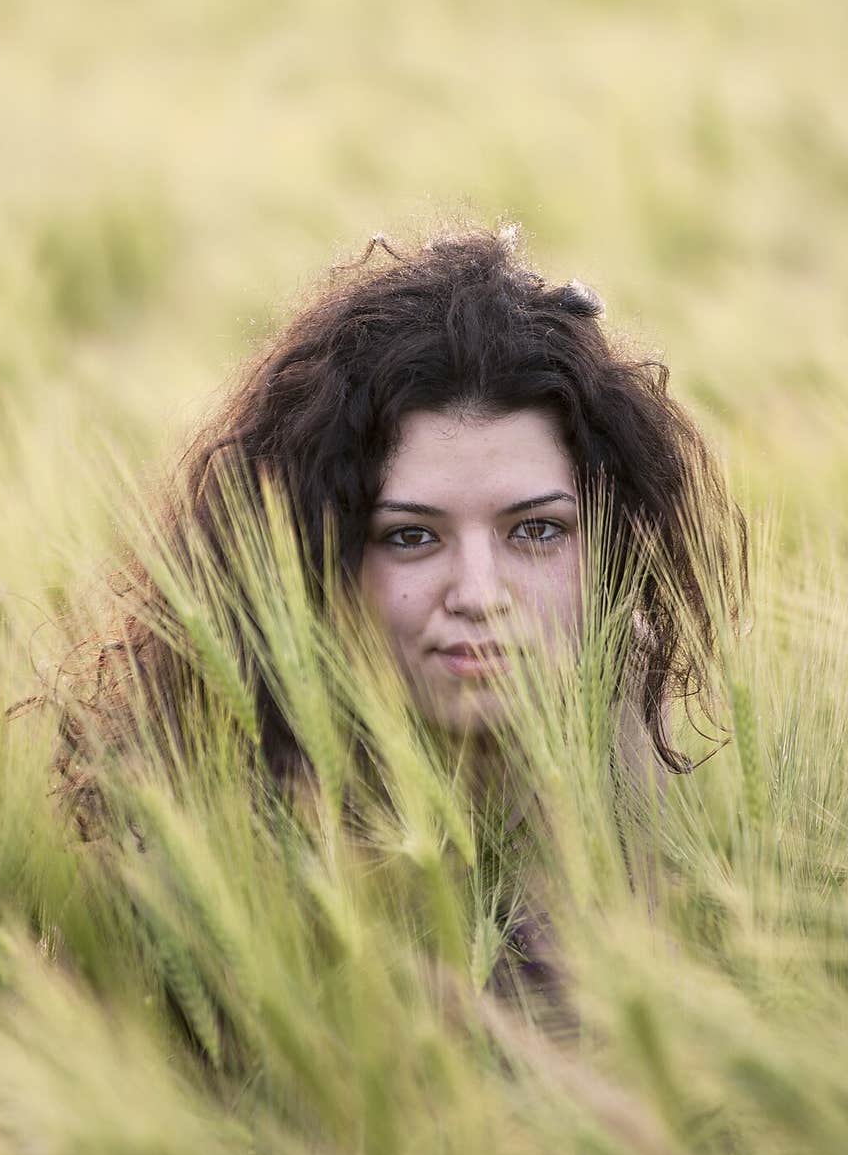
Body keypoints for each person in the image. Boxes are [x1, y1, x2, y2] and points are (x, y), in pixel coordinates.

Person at [38, 224, 745, 1008]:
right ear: (314, 560)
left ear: (612, 545)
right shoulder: (205, 852)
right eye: (410, 537)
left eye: (536, 530)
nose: (478, 592)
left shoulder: (685, 793)